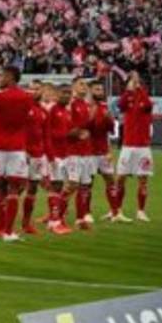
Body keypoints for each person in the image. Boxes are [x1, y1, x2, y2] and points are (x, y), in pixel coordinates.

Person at [0, 63, 36, 242]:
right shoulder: (27, 97)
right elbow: (28, 120)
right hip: (17, 149)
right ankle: (8, 232)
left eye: (2, 76)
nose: (0, 79)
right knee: (13, 190)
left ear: (10, 77)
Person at [115, 72, 154, 222]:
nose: (134, 83)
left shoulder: (145, 100)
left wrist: (139, 89)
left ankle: (141, 211)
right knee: (120, 178)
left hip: (143, 147)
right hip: (128, 146)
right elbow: (120, 105)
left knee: (143, 180)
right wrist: (128, 91)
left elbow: (148, 105)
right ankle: (117, 210)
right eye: (132, 81)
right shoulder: (127, 99)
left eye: (137, 81)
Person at [20, 82, 52, 235]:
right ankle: (2, 223)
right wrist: (22, 149)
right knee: (15, 188)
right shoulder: (23, 108)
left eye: (37, 89)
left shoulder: (44, 111)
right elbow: (16, 129)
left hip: (38, 155)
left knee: (32, 188)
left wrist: (49, 156)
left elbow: (46, 136)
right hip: (22, 154)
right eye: (31, 88)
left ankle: (26, 223)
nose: (33, 91)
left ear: (42, 91)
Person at [45, 84, 77, 236]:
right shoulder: (52, 110)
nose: (67, 96)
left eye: (69, 93)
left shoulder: (66, 112)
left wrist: (77, 135)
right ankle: (54, 222)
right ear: (57, 94)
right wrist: (50, 156)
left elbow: (68, 134)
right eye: (64, 93)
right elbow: (47, 133)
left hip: (65, 154)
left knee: (68, 185)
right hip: (54, 154)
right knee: (55, 186)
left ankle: (56, 218)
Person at [88, 81, 120, 222]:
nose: (100, 92)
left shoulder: (104, 107)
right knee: (87, 183)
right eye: (97, 89)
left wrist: (109, 120)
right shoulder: (86, 107)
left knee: (111, 180)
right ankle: (85, 213)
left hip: (103, 151)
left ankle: (114, 212)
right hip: (88, 152)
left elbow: (110, 131)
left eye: (101, 89)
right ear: (90, 91)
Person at [67, 77, 94, 229]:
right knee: (72, 185)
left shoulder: (86, 105)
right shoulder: (70, 104)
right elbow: (65, 127)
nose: (84, 87)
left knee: (84, 186)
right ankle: (55, 217)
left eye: (85, 84)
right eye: (81, 84)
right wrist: (78, 133)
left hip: (86, 151)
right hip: (73, 151)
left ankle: (80, 219)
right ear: (74, 87)